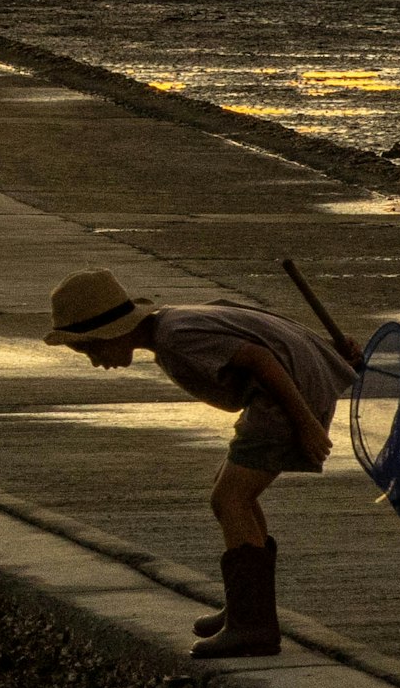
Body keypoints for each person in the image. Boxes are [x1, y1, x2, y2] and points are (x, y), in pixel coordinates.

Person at [44, 270, 358, 659]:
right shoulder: (179, 320)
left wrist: (307, 424)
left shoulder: (177, 337)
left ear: (112, 331)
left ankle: (253, 625)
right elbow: (267, 332)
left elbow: (260, 357)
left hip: (284, 399)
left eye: (91, 349)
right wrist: (330, 352)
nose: (95, 361)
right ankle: (248, 606)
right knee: (228, 495)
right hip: (284, 390)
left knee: (232, 500)